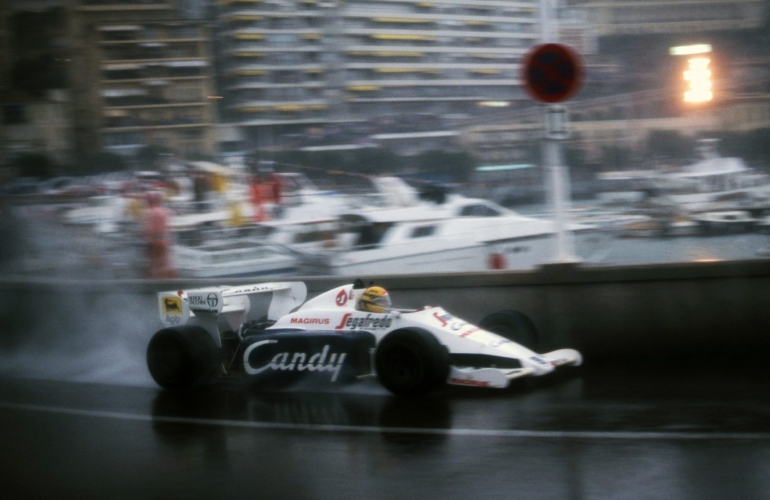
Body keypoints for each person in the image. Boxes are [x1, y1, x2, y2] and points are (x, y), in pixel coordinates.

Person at [142, 191, 175, 279]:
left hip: (155, 241)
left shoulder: (151, 212)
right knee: (165, 263)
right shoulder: (165, 211)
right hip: (165, 240)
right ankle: (169, 280)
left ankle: (154, 282)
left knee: (154, 264)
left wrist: (144, 236)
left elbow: (150, 229)